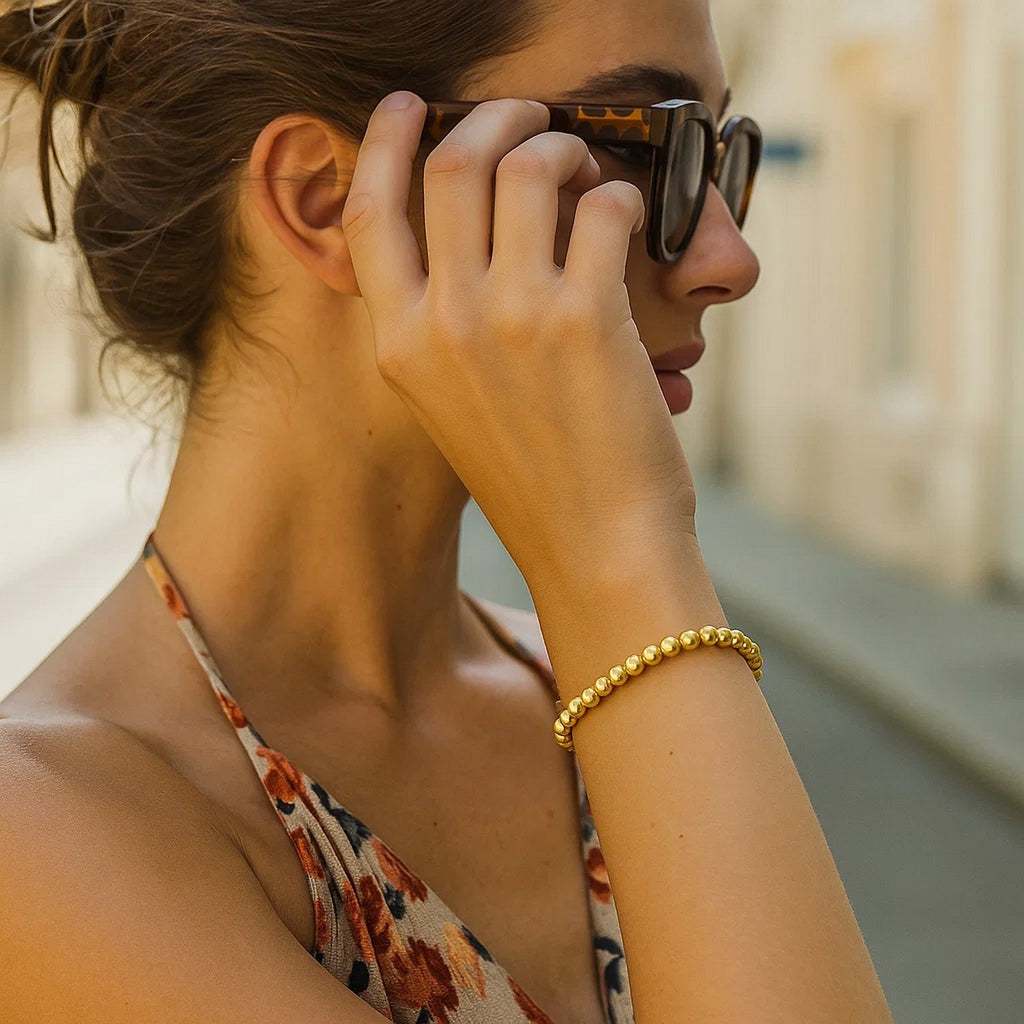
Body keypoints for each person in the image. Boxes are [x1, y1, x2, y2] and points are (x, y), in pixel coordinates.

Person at [0, 0, 895, 1021]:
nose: (728, 260)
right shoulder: (44, 829)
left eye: (720, 151)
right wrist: (620, 540)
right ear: (327, 197)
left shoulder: (612, 679)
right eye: (650, 147)